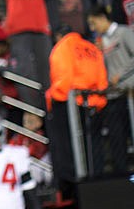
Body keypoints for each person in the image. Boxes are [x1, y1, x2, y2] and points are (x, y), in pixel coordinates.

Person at [45, 25, 108, 186]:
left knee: (69, 149)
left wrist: (56, 98)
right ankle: (97, 180)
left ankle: (71, 183)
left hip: (70, 105)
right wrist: (99, 103)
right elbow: (102, 79)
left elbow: (63, 79)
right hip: (94, 105)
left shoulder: (62, 46)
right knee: (94, 149)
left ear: (59, 35)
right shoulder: (92, 48)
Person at [1, 0, 53, 108]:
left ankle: (49, 104)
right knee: (26, 70)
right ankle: (32, 108)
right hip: (19, 29)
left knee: (46, 69)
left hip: (40, 28)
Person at [87, 6, 133, 176]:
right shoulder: (101, 41)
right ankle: (122, 176)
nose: (93, 28)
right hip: (113, 95)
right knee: (117, 138)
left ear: (102, 18)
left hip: (129, 93)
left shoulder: (124, 32)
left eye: (93, 23)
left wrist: (121, 75)